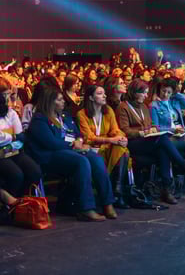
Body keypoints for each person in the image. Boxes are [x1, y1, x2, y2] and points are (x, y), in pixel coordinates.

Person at [26, 87, 116, 221]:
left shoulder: (65, 116)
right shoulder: (40, 119)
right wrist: (73, 145)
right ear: (50, 102)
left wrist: (79, 141)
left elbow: (77, 134)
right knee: (81, 161)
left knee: (96, 159)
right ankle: (86, 208)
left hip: (70, 151)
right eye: (60, 99)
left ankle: (107, 203)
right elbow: (51, 143)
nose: (64, 102)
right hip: (50, 156)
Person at [116, 79, 185, 205]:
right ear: (135, 93)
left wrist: (151, 129)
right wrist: (143, 132)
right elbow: (125, 130)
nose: (146, 96)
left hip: (146, 140)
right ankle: (184, 165)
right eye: (144, 93)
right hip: (132, 142)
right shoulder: (123, 107)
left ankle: (166, 189)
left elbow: (150, 124)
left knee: (163, 149)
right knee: (163, 140)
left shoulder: (143, 107)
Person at [76, 85, 129, 209]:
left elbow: (115, 130)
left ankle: (117, 190)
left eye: (104, 93)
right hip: (91, 148)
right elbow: (88, 137)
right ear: (91, 97)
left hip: (108, 146)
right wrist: (111, 140)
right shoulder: (81, 114)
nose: (104, 96)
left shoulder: (108, 110)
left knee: (122, 148)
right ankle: (115, 195)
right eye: (100, 93)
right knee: (119, 150)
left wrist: (122, 138)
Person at [0, 79, 41, 198]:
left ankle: (24, 203)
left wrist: (9, 137)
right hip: (1, 155)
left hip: (13, 150)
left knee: (34, 172)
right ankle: (10, 207)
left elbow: (20, 136)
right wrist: (11, 136)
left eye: (9, 94)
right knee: (16, 175)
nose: (9, 98)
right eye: (5, 95)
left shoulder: (10, 112)